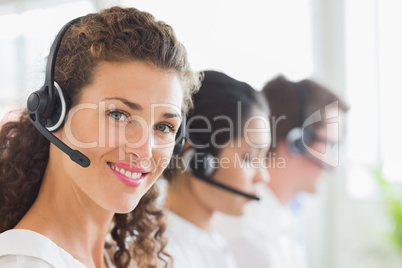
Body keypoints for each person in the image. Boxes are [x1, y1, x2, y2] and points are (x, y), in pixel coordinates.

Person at [0, 6, 201, 268]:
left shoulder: (116, 258)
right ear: (54, 113)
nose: (144, 150)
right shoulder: (25, 263)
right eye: (118, 115)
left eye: (164, 127)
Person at [212, 74, 350, 268]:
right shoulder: (249, 238)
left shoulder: (284, 219)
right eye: (331, 146)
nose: (334, 162)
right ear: (298, 142)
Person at [161, 70, 271, 268]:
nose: (263, 176)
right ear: (196, 159)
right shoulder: (159, 256)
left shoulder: (215, 246)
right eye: (249, 158)